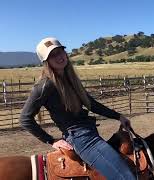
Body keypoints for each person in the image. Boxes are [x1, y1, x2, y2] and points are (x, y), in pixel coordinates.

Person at [20, 37, 136, 180]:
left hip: (89, 132)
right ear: (46, 61)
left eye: (60, 51)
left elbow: (91, 104)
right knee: (125, 177)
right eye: (52, 55)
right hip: (81, 139)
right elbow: (25, 119)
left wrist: (118, 116)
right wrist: (51, 140)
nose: (59, 57)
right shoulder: (44, 86)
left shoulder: (70, 79)